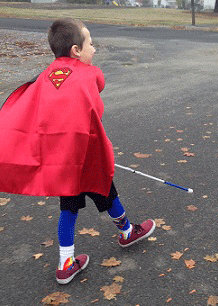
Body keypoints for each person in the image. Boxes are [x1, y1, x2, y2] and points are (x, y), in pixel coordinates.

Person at [0, 18, 155, 285]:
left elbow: (39, 112)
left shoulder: (45, 76)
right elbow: (99, 85)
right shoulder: (87, 73)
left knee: (69, 208)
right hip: (87, 156)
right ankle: (127, 232)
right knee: (106, 191)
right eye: (90, 44)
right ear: (75, 50)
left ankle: (66, 262)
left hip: (64, 162)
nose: (94, 49)